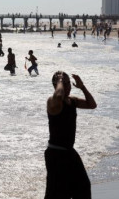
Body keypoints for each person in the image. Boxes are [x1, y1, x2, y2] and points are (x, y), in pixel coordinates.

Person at [45, 71, 97, 199]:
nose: (68, 86)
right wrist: (60, 82)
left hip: (69, 152)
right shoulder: (53, 102)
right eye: (65, 83)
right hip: (56, 155)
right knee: (57, 194)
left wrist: (82, 87)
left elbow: (92, 105)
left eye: (69, 83)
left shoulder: (72, 100)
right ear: (57, 84)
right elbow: (58, 96)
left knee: (83, 187)